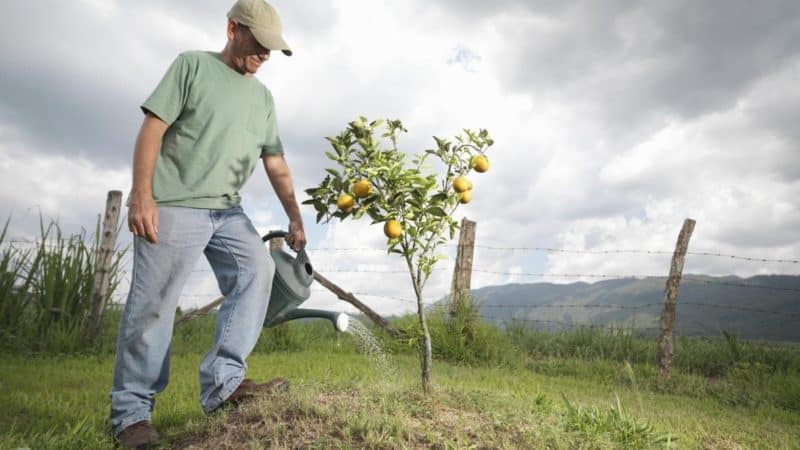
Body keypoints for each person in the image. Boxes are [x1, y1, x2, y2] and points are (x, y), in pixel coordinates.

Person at [109, 0, 305, 448]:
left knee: (259, 269)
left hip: (227, 210)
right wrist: (142, 194)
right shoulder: (191, 66)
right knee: (154, 306)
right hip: (174, 203)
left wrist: (294, 213)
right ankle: (131, 416)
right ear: (233, 29)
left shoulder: (263, 97)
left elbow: (274, 162)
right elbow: (153, 128)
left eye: (272, 49)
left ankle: (225, 384)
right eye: (259, 44)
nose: (265, 55)